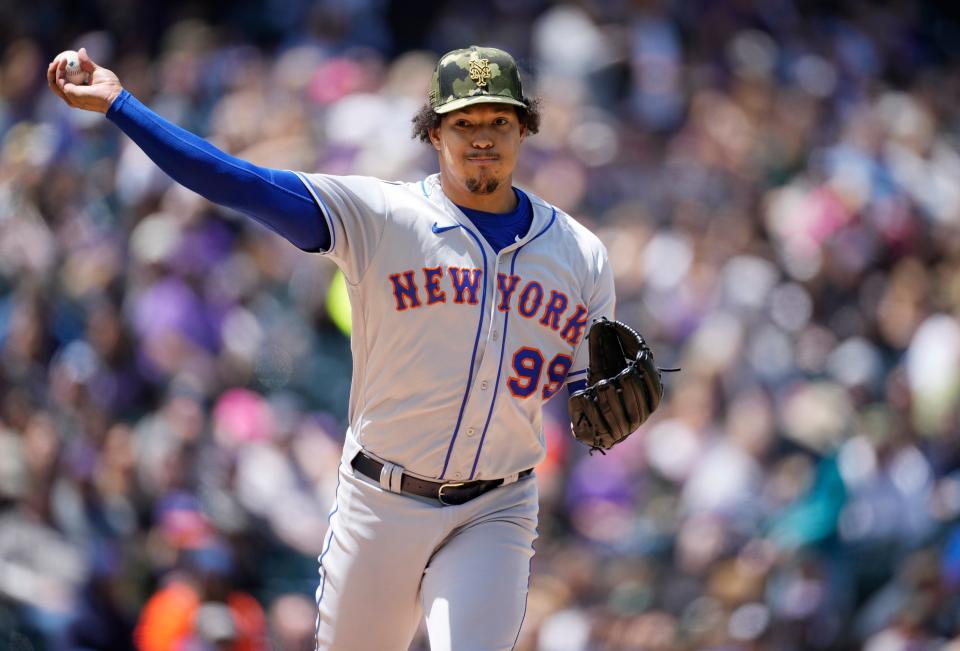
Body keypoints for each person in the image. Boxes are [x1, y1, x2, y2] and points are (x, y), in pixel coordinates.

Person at [48, 44, 615, 651]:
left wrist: (606, 408)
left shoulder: (580, 255)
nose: (482, 137)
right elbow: (236, 181)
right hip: (380, 503)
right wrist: (120, 105)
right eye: (464, 122)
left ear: (523, 128)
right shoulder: (381, 215)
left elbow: (594, 394)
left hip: (497, 509)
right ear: (433, 132)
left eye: (498, 121)